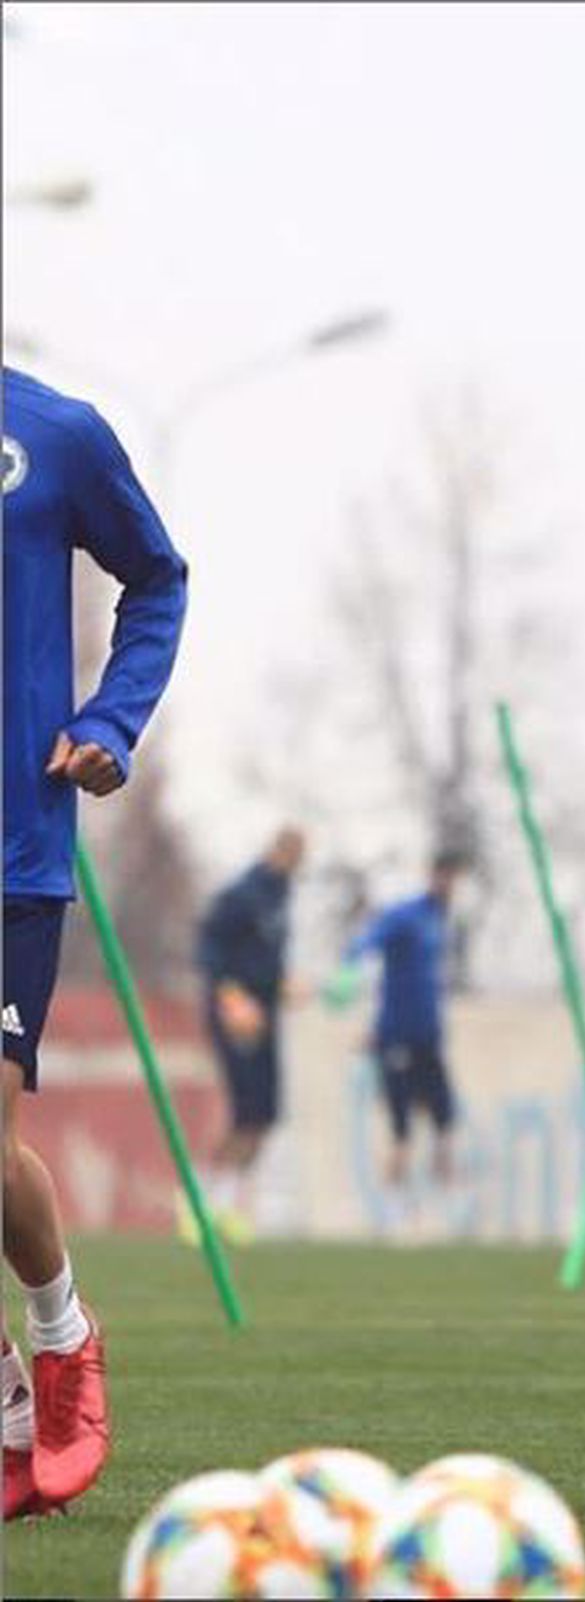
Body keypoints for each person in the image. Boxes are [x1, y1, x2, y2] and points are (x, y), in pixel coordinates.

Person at [2, 366, 187, 1518]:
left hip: (10, 846)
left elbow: (158, 578)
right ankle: (11, 1404)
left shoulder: (53, 434)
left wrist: (111, 721)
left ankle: (62, 1334)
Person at [337, 853, 466, 1230]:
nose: (447, 884)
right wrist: (349, 967)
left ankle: (444, 1195)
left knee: (445, 1120)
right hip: (396, 1038)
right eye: (443, 875)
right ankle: (396, 1205)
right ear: (431, 875)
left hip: (429, 1038)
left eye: (453, 878)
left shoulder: (442, 922)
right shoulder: (407, 916)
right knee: (401, 1129)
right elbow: (367, 941)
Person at [191, 826, 307, 1242]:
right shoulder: (243, 894)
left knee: (264, 1114)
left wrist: (284, 983)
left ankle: (228, 1203)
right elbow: (209, 947)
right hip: (237, 1013)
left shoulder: (282, 897)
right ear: (278, 850)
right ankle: (203, 1202)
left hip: (267, 1014)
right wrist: (231, 997)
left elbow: (268, 955)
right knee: (243, 1109)